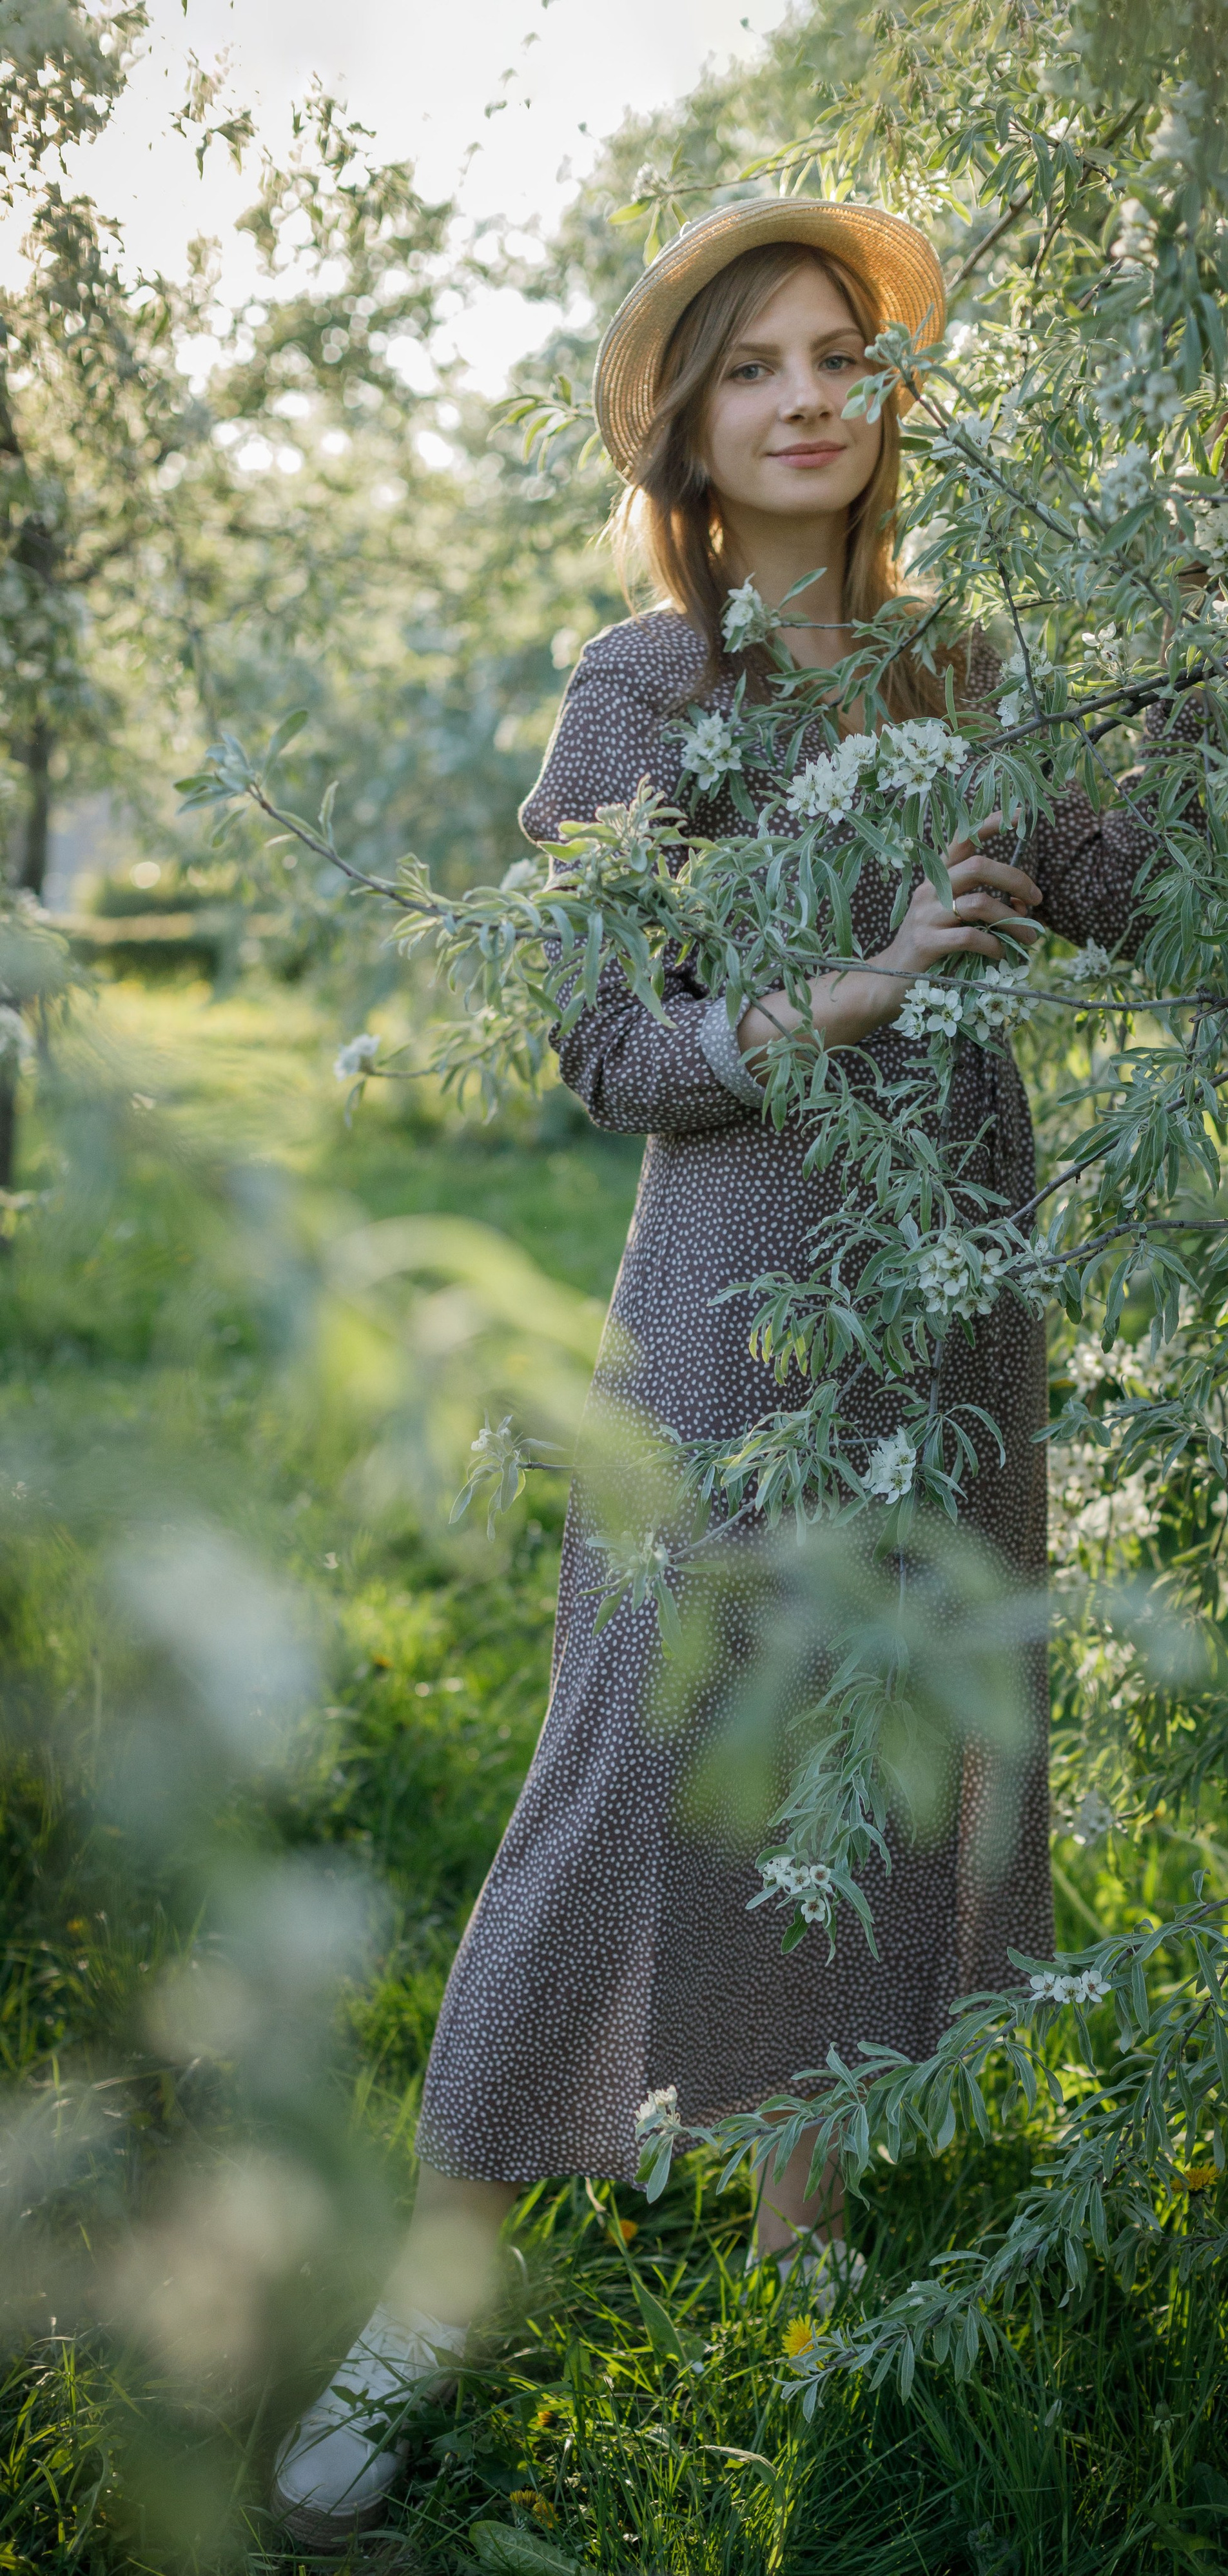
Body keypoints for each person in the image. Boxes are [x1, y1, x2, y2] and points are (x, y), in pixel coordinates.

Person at [272, 196, 1179, 2543]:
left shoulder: (972, 666)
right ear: (685, 422)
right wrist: (848, 996)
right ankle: (423, 2309)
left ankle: (808, 2278)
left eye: (844, 357)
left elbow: (1141, 874)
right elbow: (595, 1033)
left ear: (894, 406)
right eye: (757, 363)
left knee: (867, 1771)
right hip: (730, 1302)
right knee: (626, 1765)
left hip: (955, 1297)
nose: (807, 394)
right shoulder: (641, 689)